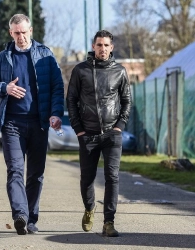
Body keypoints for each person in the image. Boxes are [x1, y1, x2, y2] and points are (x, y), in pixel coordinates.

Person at [0, 14, 64, 235]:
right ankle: (20, 214)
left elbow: (57, 87)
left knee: (36, 174)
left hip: (39, 123)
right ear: (11, 33)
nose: (21, 37)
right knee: (15, 170)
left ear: (31, 31)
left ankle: (31, 219)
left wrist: (56, 113)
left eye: (24, 32)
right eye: (16, 33)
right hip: (12, 123)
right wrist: (4, 88)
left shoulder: (45, 56)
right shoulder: (1, 58)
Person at [66, 30, 132, 237]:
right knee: (87, 178)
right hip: (88, 135)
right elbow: (71, 101)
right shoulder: (80, 70)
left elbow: (127, 101)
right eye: (99, 45)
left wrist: (119, 125)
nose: (102, 49)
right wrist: (79, 130)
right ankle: (89, 208)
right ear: (93, 47)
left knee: (112, 177)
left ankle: (109, 222)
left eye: (106, 45)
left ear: (111, 48)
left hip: (112, 134)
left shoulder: (120, 71)